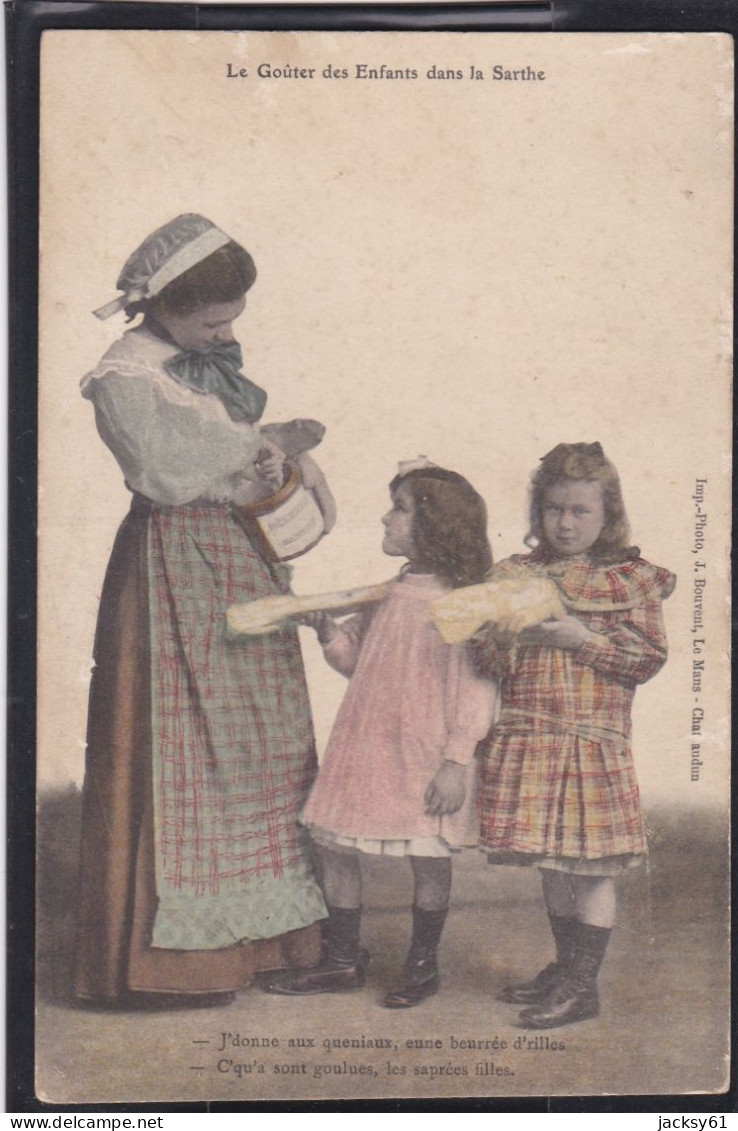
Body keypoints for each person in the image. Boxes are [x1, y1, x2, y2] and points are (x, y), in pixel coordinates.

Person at [74, 214, 330, 1008]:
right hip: (172, 565)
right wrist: (255, 445)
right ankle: (177, 962)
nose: (224, 333)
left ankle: (274, 942)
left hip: (238, 555)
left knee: (261, 737)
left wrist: (280, 458)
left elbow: (241, 461)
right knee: (184, 736)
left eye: (231, 319)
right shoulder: (124, 376)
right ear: (163, 307)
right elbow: (162, 473)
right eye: (212, 319)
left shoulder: (201, 361)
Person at [261, 462, 498, 1007]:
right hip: (365, 744)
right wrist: (327, 634)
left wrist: (456, 760)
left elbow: (478, 687)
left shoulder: (464, 601)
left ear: (434, 525)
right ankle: (342, 960)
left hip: (424, 751)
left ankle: (421, 965)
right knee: (334, 843)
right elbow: (359, 664)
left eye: (400, 509)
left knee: (428, 854)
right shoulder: (389, 592)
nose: (386, 518)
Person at [472, 442, 675, 1029]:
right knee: (554, 867)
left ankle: (583, 987)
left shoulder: (628, 581)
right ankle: (566, 969)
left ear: (607, 514)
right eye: (554, 510)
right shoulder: (516, 574)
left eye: (580, 511)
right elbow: (485, 659)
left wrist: (579, 639)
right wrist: (505, 637)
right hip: (531, 737)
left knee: (590, 870)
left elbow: (646, 661)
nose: (564, 523)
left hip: (590, 741)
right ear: (539, 512)